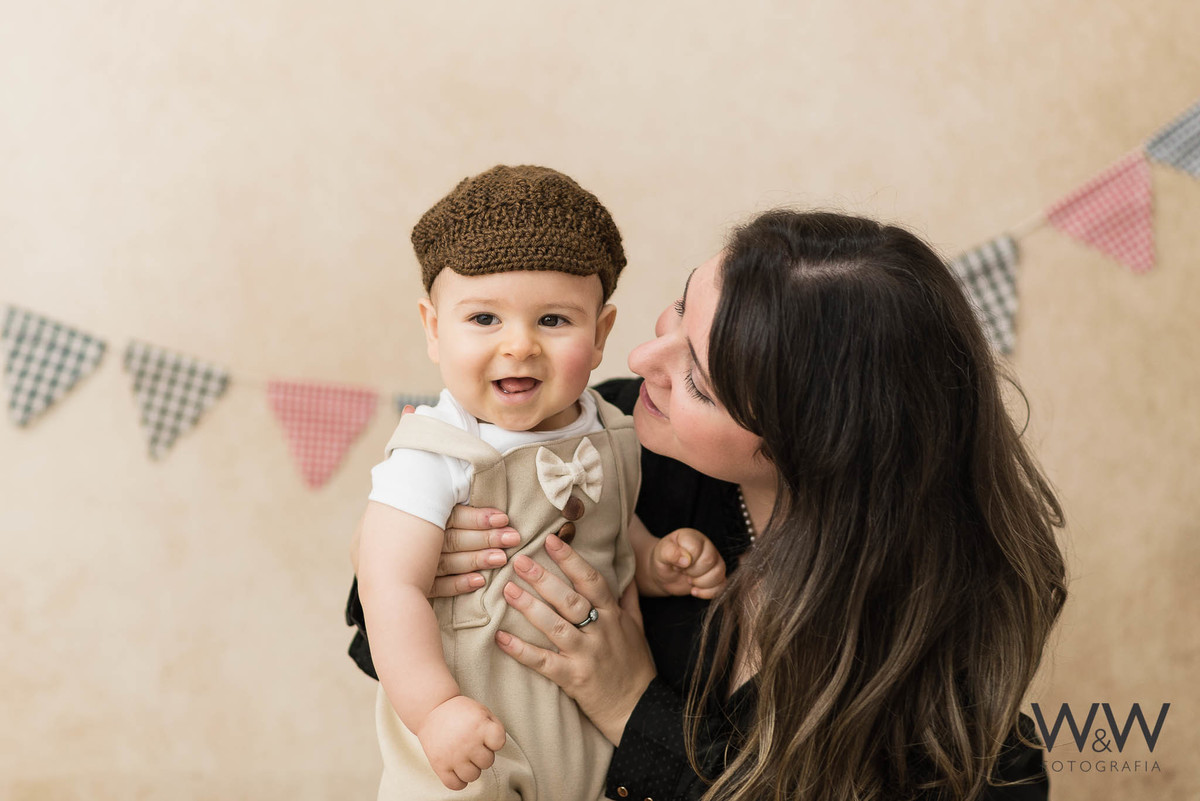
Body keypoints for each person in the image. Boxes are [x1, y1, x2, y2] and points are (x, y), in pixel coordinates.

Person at [348, 209, 1067, 801]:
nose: (641, 360)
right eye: (682, 307)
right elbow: (372, 618)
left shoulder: (939, 643)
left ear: (805, 448)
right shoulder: (621, 431)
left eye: (697, 380)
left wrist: (633, 707)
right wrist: (427, 557)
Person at [354, 165, 726, 801]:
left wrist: (654, 560)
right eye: (483, 319)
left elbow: (608, 529)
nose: (520, 346)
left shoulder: (614, 429)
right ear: (433, 328)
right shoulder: (434, 453)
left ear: (602, 333)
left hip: (583, 735)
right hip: (474, 731)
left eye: (554, 320)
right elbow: (388, 590)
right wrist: (437, 709)